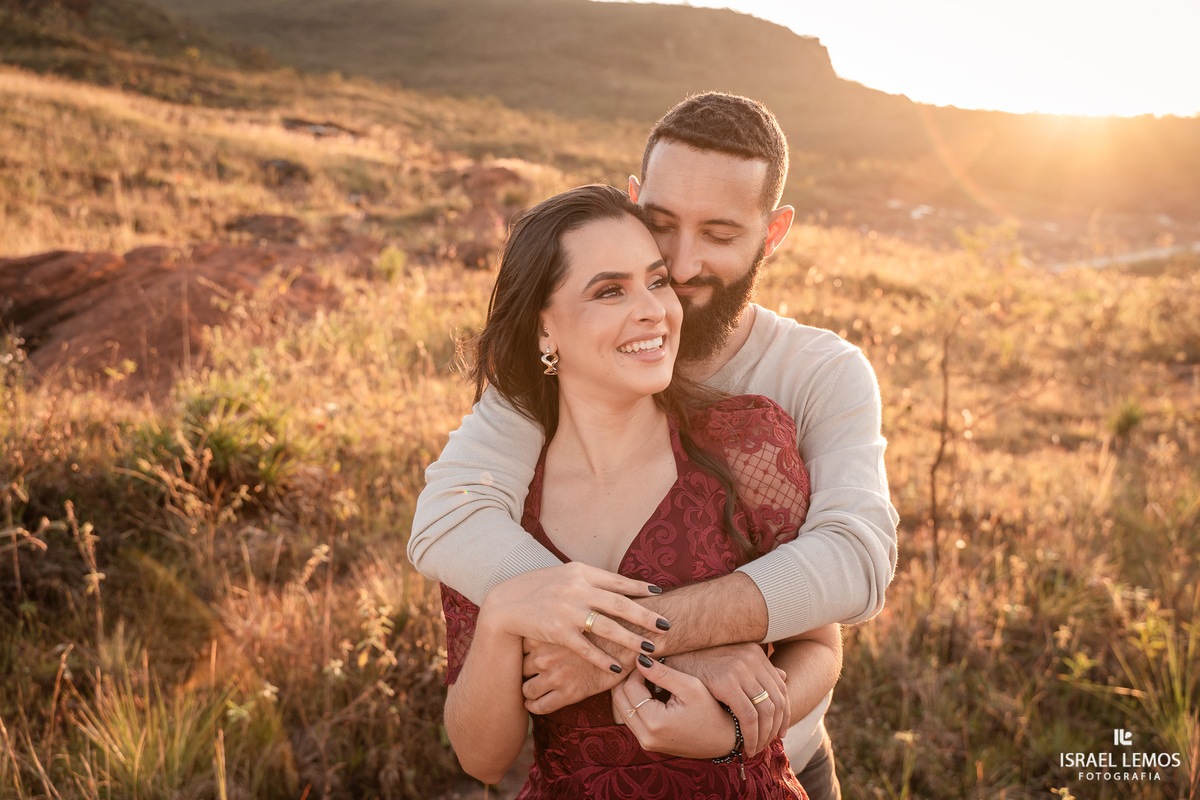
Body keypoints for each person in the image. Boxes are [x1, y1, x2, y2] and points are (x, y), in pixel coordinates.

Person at [410, 92, 899, 798]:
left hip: (773, 757)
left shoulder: (806, 382)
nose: (682, 261)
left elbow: (851, 565)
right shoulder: (551, 379)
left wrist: (629, 645)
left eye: (721, 234)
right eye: (661, 224)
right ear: (635, 200)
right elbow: (451, 520)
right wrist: (671, 646)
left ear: (774, 232)